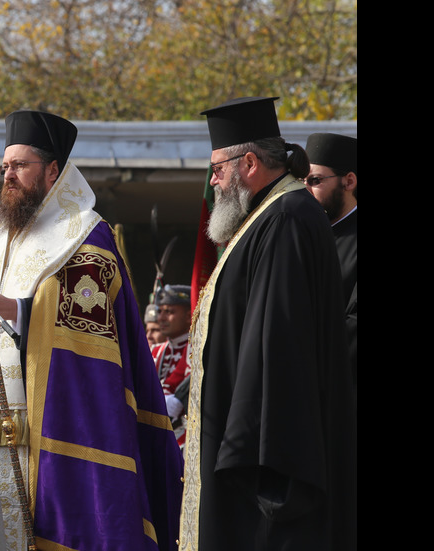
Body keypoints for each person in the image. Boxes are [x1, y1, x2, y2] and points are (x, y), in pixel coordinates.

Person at [0, 110, 184, 551]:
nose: (9, 177)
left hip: (54, 430)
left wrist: (21, 312)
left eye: (20, 166)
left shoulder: (84, 235)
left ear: (53, 171)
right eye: (5, 167)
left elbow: (89, 326)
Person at [180, 97, 356, 550]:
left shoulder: (286, 220)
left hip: (264, 463)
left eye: (217, 168)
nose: (213, 180)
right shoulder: (267, 216)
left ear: (250, 162)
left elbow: (277, 347)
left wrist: (247, 458)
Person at [305, 132, 357, 390]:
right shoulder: (301, 238)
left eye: (314, 180)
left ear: (348, 182)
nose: (305, 191)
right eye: (301, 181)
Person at [151, 284, 192, 446]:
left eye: (169, 312)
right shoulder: (155, 351)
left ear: (189, 315)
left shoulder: (197, 349)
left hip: (185, 438)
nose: (161, 318)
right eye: (160, 311)